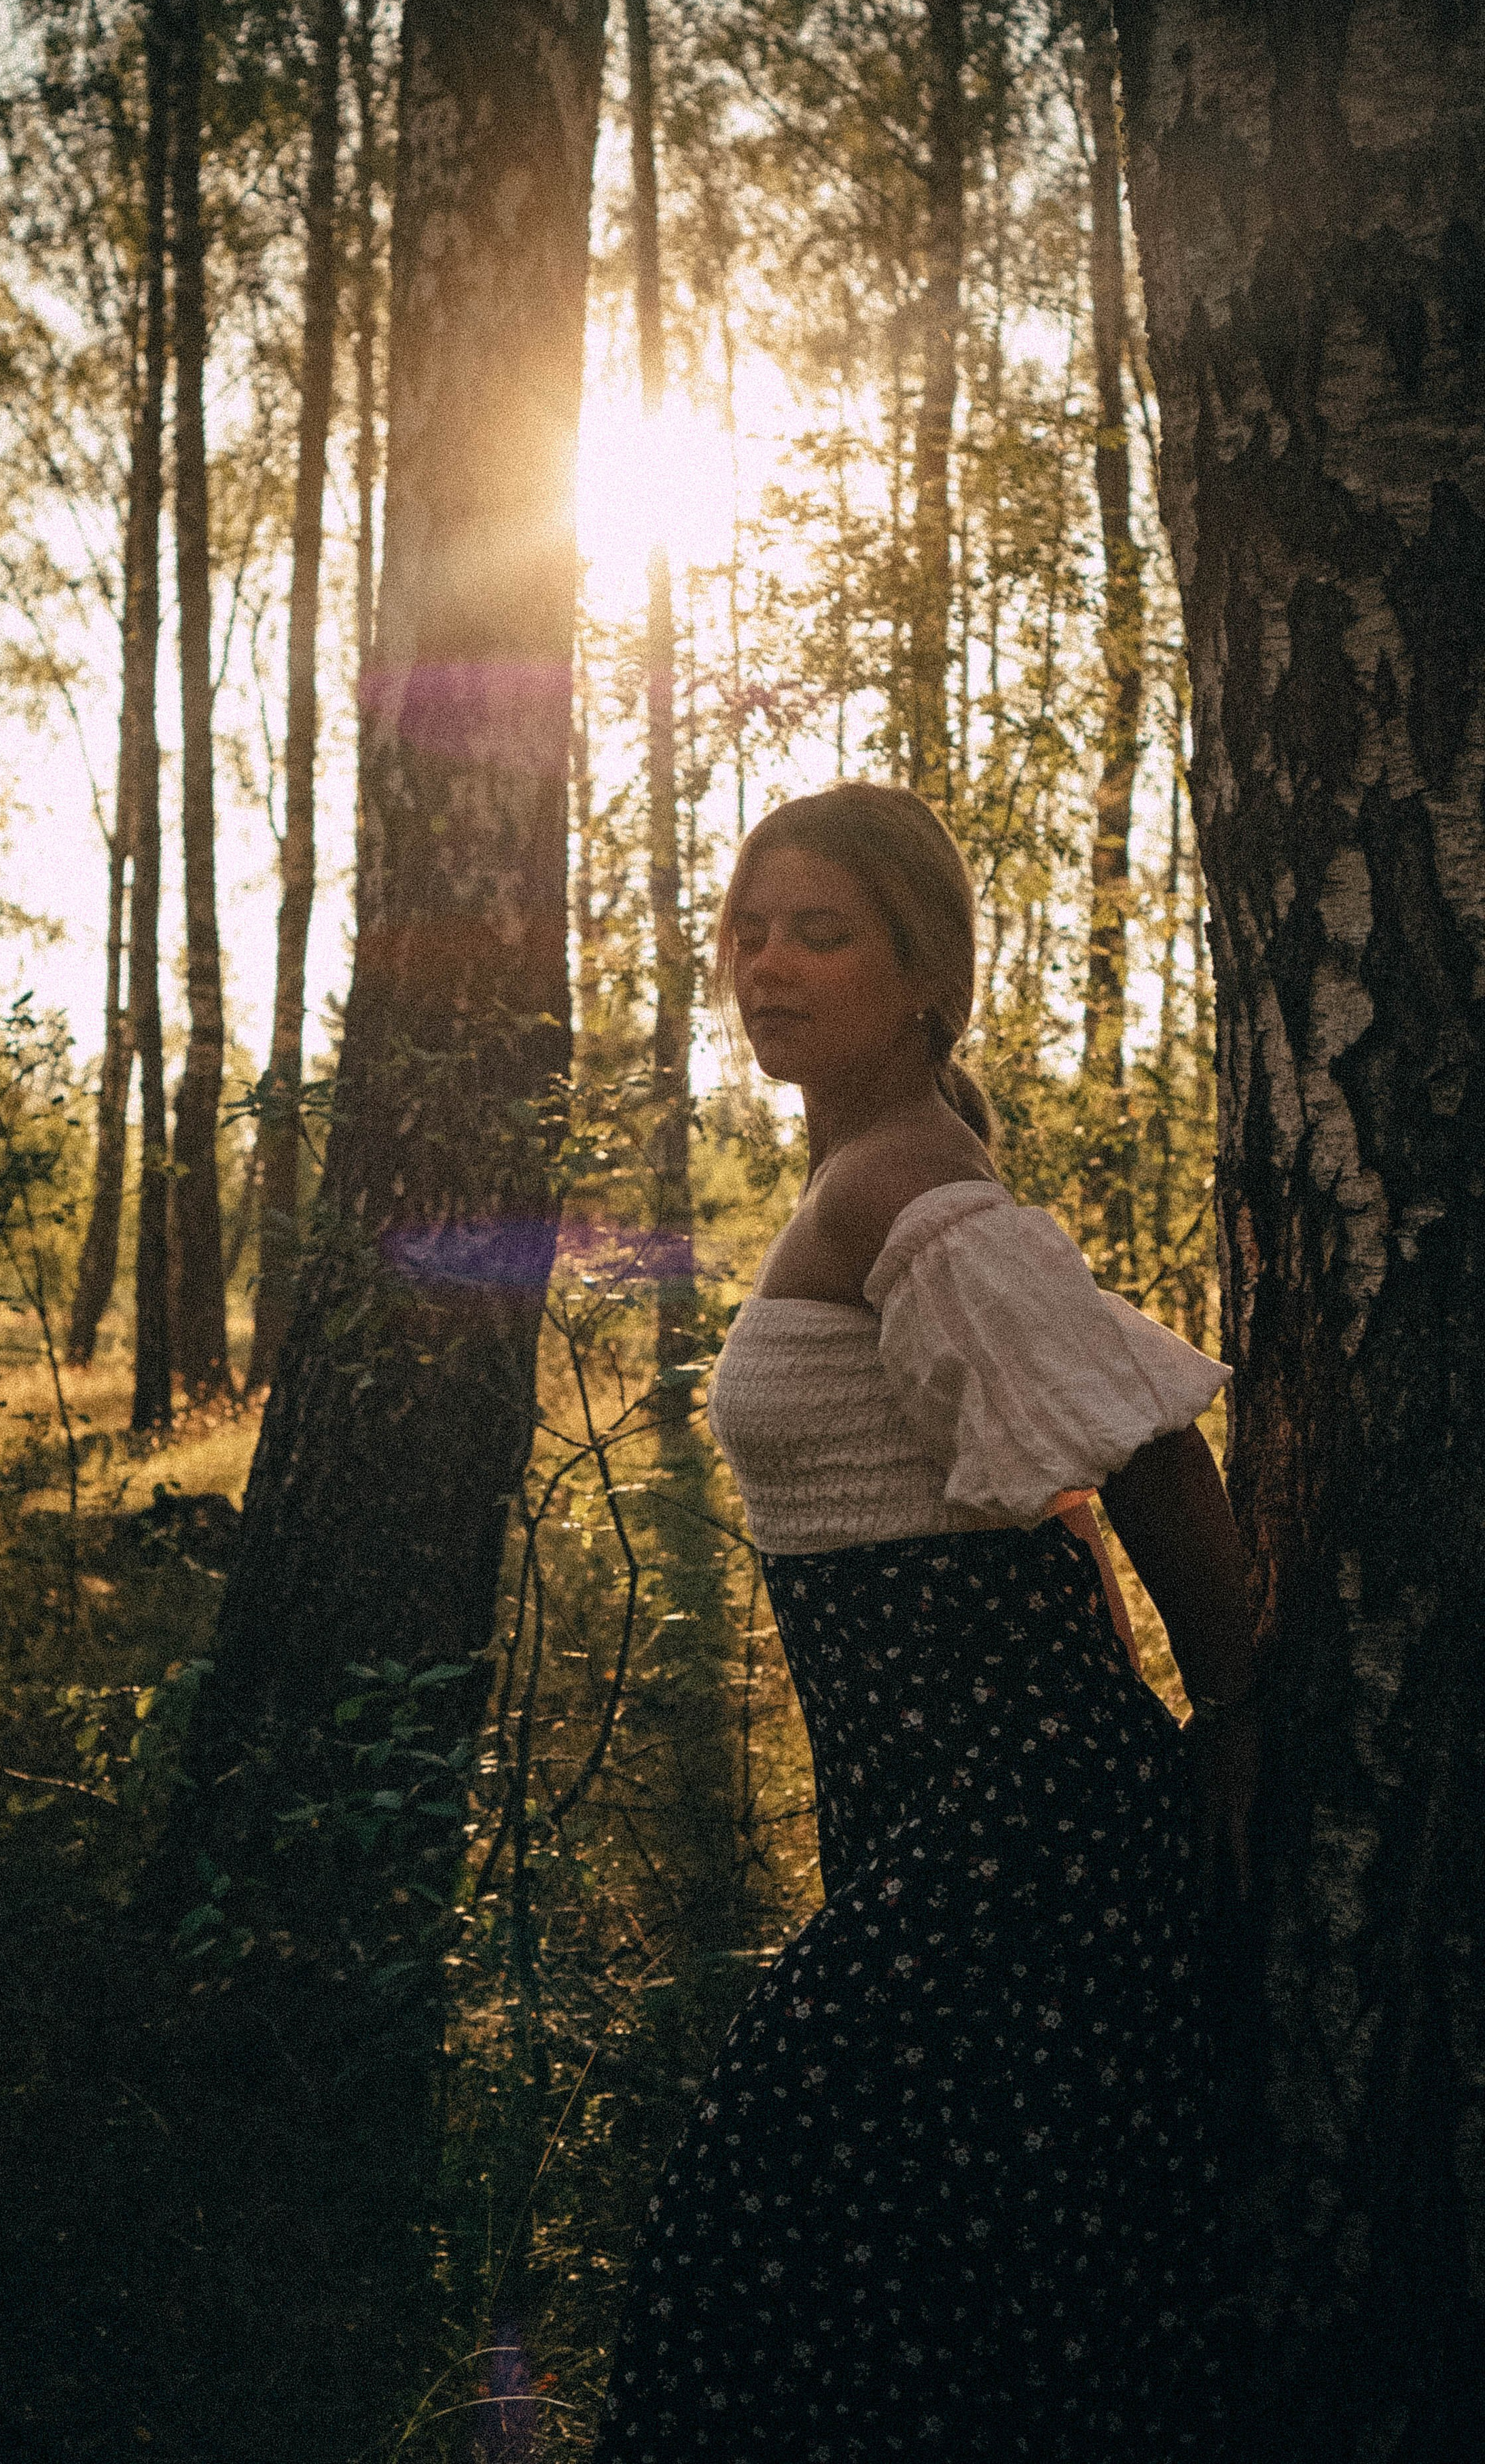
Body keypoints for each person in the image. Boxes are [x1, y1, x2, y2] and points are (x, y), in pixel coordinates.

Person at [594, 781, 1259, 2463]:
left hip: (1019, 1831)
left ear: (922, 970)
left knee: (755, 2259)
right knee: (957, 2290)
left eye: (819, 933)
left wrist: (1242, 1723)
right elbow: (1035, 1482)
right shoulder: (868, 1174)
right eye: (747, 932)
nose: (767, 968)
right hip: (947, 1818)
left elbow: (1143, 1445)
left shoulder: (906, 1185)